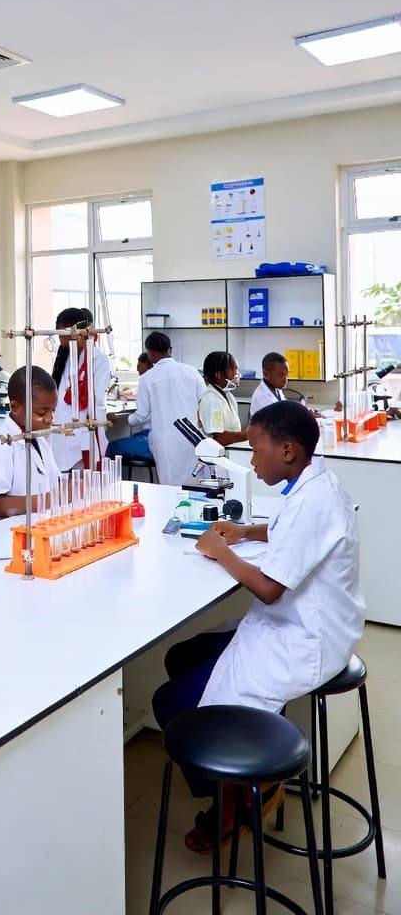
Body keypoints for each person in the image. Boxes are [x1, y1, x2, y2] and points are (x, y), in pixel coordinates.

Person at [152, 400, 364, 852]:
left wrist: (220, 551)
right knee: (181, 655)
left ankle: (238, 801)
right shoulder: (312, 484)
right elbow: (288, 531)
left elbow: (268, 589)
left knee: (170, 702)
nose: (251, 460)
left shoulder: (313, 501)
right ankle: (242, 767)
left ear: (287, 451)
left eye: (255, 449)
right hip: (303, 624)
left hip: (305, 640)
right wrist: (245, 532)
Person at [0, 365, 59, 520]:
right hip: (7, 531)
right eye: (42, 412)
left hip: (40, 525)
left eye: (53, 409)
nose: (50, 419)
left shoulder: (38, 438)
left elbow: (53, 481)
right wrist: (48, 500)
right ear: (15, 407)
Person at [132, 332, 206, 485]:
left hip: (166, 442)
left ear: (150, 354)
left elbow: (141, 416)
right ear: (170, 350)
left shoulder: (147, 378)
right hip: (192, 438)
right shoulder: (191, 371)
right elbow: (204, 402)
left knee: (169, 485)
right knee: (194, 483)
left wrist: (129, 419)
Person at [50, 306, 110, 472]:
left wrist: (97, 426)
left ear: (78, 332)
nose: (60, 340)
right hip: (62, 427)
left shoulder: (98, 359)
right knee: (63, 476)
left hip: (85, 426)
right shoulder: (64, 356)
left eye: (63, 334)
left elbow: (97, 400)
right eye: (58, 334)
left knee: (85, 478)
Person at [105, 352, 154, 465]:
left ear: (148, 364)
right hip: (153, 436)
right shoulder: (155, 382)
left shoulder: (146, 380)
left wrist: (118, 418)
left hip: (148, 439)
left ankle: (111, 475)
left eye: (139, 364)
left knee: (110, 446)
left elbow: (141, 416)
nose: (137, 368)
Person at [197, 351, 248, 446]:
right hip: (217, 453)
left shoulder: (229, 396)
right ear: (219, 374)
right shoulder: (212, 400)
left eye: (236, 368)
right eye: (233, 369)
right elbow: (219, 438)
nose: (237, 373)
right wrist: (248, 434)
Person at [249, 351, 289, 418]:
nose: (285, 380)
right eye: (280, 375)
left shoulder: (277, 389)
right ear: (266, 374)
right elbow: (280, 419)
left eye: (287, 375)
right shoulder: (260, 396)